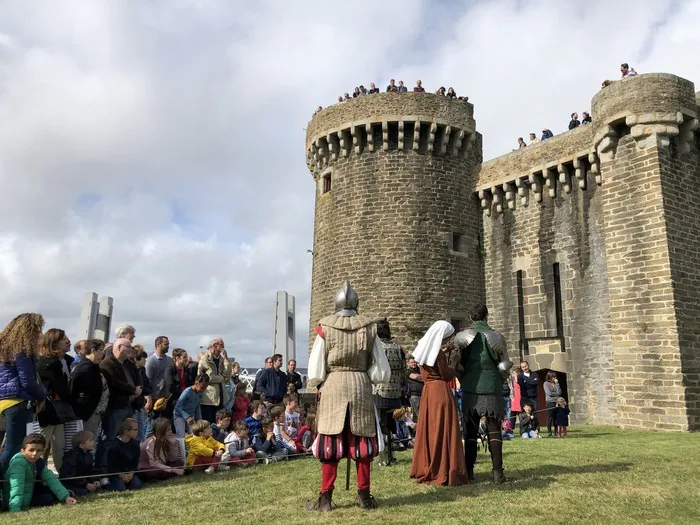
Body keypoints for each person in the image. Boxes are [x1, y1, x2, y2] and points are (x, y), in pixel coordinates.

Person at [306, 280, 390, 511]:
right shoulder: (369, 327)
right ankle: (364, 496)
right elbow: (381, 368)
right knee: (362, 443)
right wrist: (370, 378)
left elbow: (315, 367)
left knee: (330, 443)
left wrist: (319, 382)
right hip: (360, 384)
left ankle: (325, 499)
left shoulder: (326, 327)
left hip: (333, 384)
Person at [454, 304, 513, 483]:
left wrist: (464, 378)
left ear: (471, 317)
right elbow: (504, 366)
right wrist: (498, 381)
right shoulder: (496, 336)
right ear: (486, 316)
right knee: (494, 431)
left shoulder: (461, 337)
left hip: (470, 387)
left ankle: (469, 472)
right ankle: (497, 473)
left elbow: (456, 365)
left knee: (470, 433)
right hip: (492, 386)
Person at [409, 320, 468, 487]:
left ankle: (427, 464)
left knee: (431, 428)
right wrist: (455, 361)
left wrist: (444, 351)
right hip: (440, 392)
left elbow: (432, 363)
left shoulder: (424, 349)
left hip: (428, 392)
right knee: (442, 429)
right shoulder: (438, 354)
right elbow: (447, 374)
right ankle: (442, 468)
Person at [0, 313, 47, 477]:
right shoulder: (23, 350)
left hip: (2, 403)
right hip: (17, 402)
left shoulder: (4, 348)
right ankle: (6, 487)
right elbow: (28, 381)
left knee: (4, 448)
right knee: (13, 448)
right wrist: (42, 395)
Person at [2, 433, 77, 512]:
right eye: (31, 450)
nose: (34, 454)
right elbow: (16, 487)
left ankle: (68, 494)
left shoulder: (39, 462)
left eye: (38, 451)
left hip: (28, 496)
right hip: (12, 500)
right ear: (22, 451)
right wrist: (15, 508)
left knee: (48, 497)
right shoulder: (18, 463)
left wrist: (66, 497)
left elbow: (51, 479)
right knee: (47, 498)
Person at [97, 338, 141, 471]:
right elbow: (114, 382)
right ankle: (103, 468)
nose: (130, 350)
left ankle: (126, 466)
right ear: (119, 347)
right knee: (110, 438)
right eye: (128, 347)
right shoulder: (107, 363)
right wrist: (133, 390)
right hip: (115, 407)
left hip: (128, 405)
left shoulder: (129, 363)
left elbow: (138, 377)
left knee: (130, 436)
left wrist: (138, 388)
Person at [37, 328, 74, 471]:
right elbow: (59, 387)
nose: (67, 341)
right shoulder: (52, 363)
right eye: (64, 339)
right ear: (55, 342)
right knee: (46, 444)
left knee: (56, 444)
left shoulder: (47, 361)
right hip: (50, 408)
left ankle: (59, 474)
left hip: (50, 408)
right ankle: (42, 475)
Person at [372, 318, 405, 466]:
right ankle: (391, 456)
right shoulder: (398, 347)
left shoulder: (377, 347)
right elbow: (403, 369)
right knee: (391, 423)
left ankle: (384, 459)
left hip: (380, 390)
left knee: (381, 424)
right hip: (396, 392)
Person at [70, 339, 108, 436]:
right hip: (88, 414)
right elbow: (74, 390)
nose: (103, 353)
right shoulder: (84, 369)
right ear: (93, 350)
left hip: (95, 413)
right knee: (86, 441)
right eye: (101, 350)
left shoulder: (95, 367)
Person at [59, 430, 106, 495]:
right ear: (81, 445)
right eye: (90, 440)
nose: (93, 442)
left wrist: (95, 480)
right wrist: (86, 484)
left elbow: (90, 471)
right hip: (71, 483)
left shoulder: (89, 455)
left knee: (103, 485)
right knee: (83, 491)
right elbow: (69, 475)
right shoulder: (71, 456)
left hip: (82, 482)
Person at [197, 337, 232, 423]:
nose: (223, 348)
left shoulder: (221, 359)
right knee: (208, 423)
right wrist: (222, 378)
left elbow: (227, 376)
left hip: (220, 396)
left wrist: (226, 360)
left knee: (218, 423)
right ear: (214, 346)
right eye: (221, 345)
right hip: (208, 398)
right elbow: (209, 377)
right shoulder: (205, 359)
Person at [108, 417, 142, 491]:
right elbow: (111, 466)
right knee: (120, 487)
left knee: (137, 485)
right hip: (117, 474)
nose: (137, 432)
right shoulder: (114, 446)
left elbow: (135, 463)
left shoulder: (135, 445)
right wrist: (121, 475)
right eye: (135, 430)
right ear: (126, 432)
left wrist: (131, 473)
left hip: (130, 473)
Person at [173, 373, 210, 438]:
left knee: (194, 435)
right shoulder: (187, 392)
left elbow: (197, 406)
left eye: (205, 388)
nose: (203, 390)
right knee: (181, 435)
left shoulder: (200, 393)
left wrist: (199, 419)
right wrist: (187, 417)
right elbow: (177, 407)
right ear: (196, 383)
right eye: (202, 387)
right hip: (179, 416)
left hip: (191, 417)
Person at [404, 355, 423, 423]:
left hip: (423, 394)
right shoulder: (408, 371)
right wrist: (426, 377)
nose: (414, 364)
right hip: (414, 396)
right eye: (412, 362)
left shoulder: (420, 370)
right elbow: (415, 377)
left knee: (423, 413)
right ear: (408, 363)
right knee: (418, 414)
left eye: (415, 362)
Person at [544, 371, 562, 437]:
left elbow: (560, 392)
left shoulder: (556, 383)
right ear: (549, 377)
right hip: (550, 402)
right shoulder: (546, 384)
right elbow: (549, 393)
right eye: (553, 377)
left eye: (555, 376)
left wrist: (557, 384)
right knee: (550, 417)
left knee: (556, 418)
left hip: (557, 402)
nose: (554, 378)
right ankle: (549, 432)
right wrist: (556, 394)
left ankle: (556, 432)